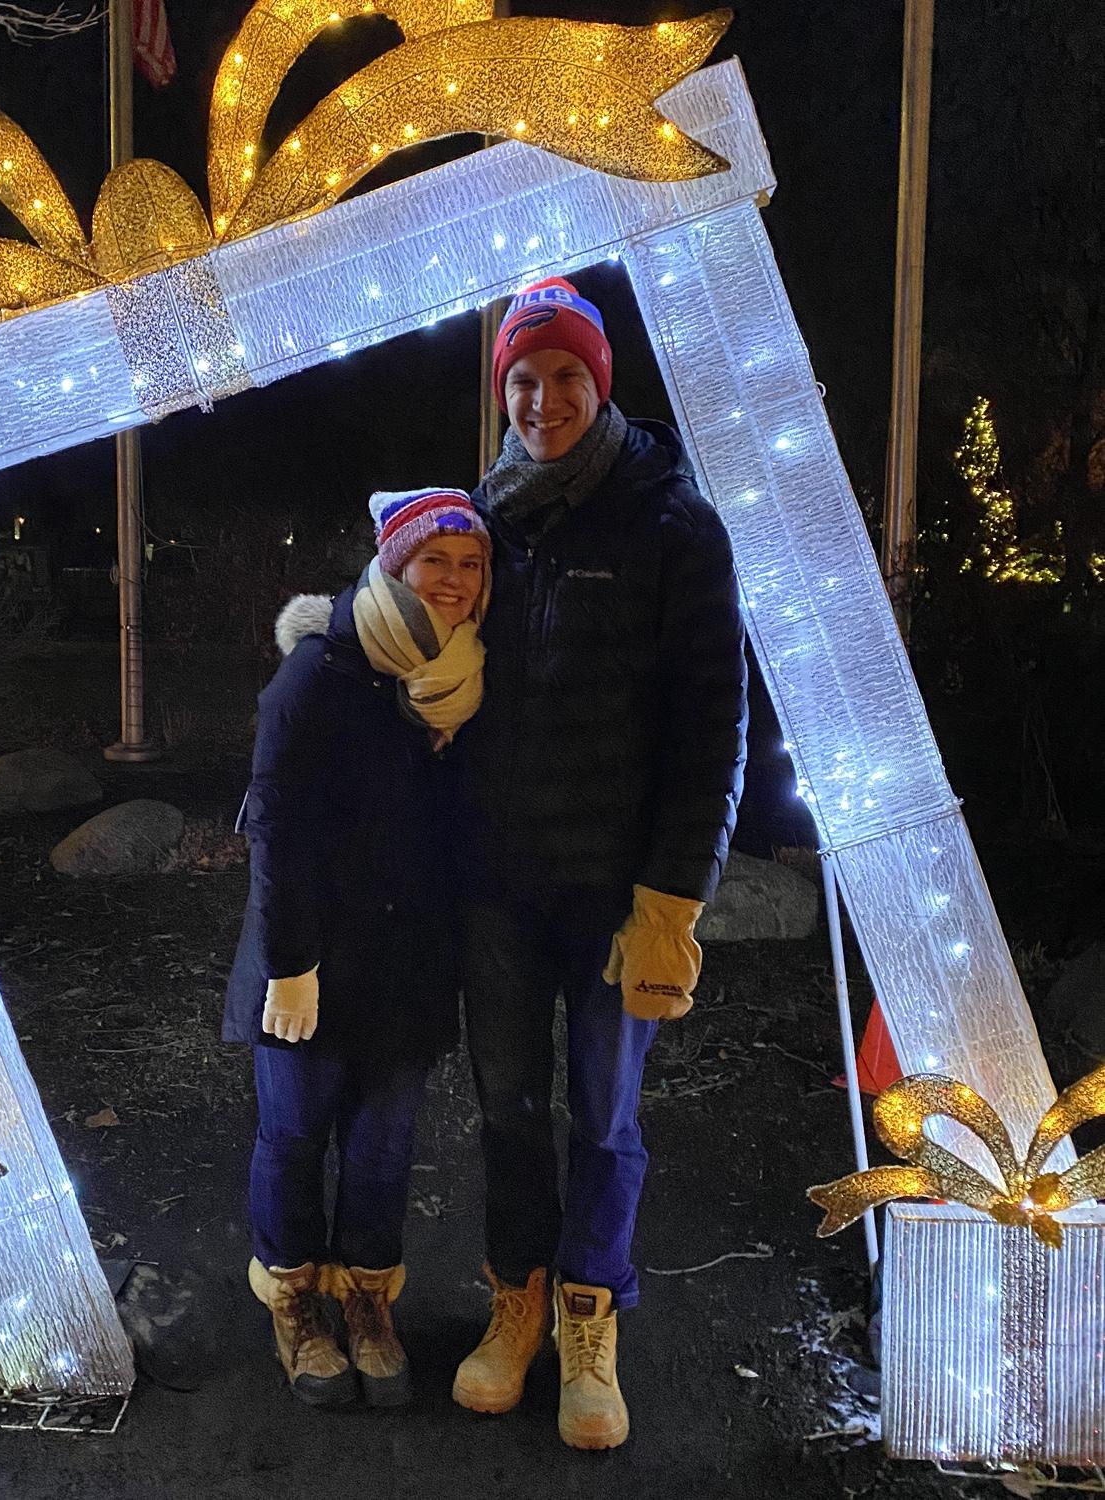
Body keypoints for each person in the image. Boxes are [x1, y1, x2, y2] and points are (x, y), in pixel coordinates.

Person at [451, 277, 748, 1449]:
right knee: (509, 1108)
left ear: (602, 380)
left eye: (566, 375)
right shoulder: (480, 523)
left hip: (619, 895)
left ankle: (590, 1313)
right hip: (498, 889)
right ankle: (516, 1300)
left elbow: (711, 727)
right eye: (523, 381)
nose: (543, 400)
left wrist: (675, 899)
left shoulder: (674, 523)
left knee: (606, 1117)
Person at [224, 488, 492, 1408]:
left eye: (470, 563)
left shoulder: (461, 678)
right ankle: (295, 1300)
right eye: (434, 560)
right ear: (393, 564)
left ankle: (369, 1300)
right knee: (294, 1136)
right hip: (312, 960)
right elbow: (277, 833)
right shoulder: (316, 675)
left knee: (383, 1145)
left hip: (409, 960)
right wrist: (292, 967)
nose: (453, 580)